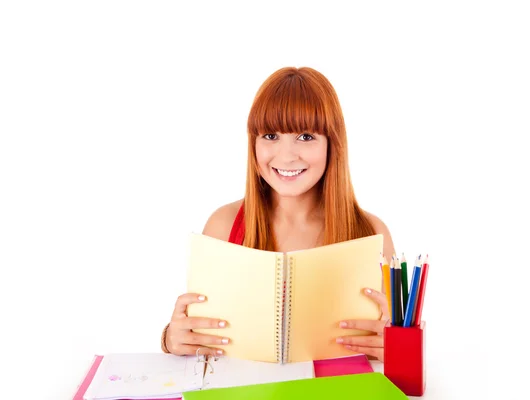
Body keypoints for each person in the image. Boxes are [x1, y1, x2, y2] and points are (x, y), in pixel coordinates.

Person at [161, 66, 397, 361]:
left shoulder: (371, 233)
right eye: (271, 135)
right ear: (253, 144)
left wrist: (399, 343)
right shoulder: (224, 226)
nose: (286, 156)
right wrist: (172, 338)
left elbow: (395, 341)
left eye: (306, 137)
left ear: (331, 145)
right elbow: (199, 337)